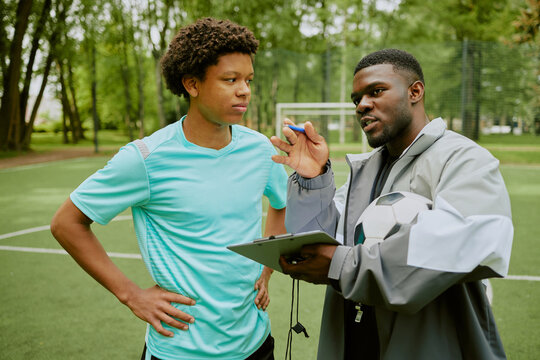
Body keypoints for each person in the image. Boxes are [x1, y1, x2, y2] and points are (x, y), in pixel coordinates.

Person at [51, 17, 288, 360]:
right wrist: (131, 295)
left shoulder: (261, 149)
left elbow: (280, 204)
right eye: (230, 79)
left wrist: (266, 270)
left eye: (248, 79)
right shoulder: (145, 159)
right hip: (181, 349)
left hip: (255, 343)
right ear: (192, 85)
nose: (244, 90)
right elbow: (66, 223)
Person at [270, 48, 513, 360]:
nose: (362, 105)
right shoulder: (365, 169)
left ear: (415, 91)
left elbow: (464, 241)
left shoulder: (464, 159)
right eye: (356, 98)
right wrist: (312, 179)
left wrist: (342, 266)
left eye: (376, 91)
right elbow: (321, 240)